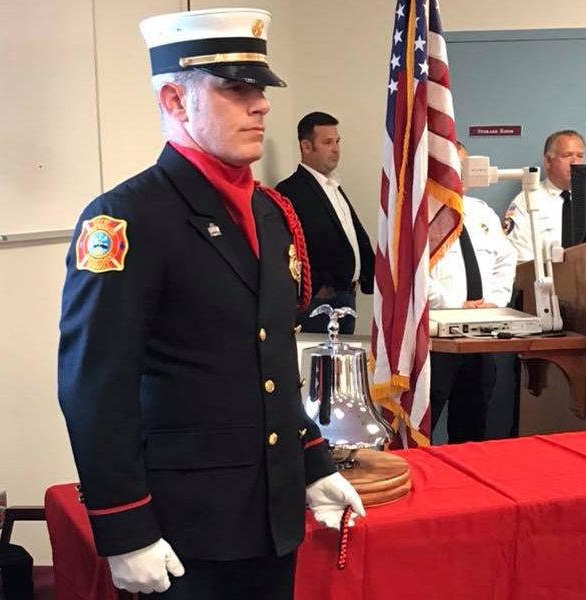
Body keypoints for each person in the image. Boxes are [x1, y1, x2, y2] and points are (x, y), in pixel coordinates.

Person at [57, 9, 364, 599]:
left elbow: (268, 367)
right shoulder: (127, 218)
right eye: (236, 89)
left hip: (271, 520)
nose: (262, 105)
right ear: (175, 100)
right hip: (181, 533)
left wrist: (313, 464)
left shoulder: (271, 215)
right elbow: (95, 385)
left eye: (261, 90)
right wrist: (124, 529)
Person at [429, 142, 517, 444]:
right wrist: (456, 306)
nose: (461, 174)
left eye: (465, 166)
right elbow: (411, 276)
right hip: (438, 339)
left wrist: (495, 303)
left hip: (481, 336)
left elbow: (506, 259)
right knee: (422, 430)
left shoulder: (482, 212)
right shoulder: (418, 217)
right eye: (454, 166)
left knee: (472, 429)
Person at [275, 112, 374, 335]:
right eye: (327, 142)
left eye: (337, 141)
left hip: (347, 297)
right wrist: (318, 287)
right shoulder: (290, 190)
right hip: (319, 303)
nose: (336, 148)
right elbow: (292, 247)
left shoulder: (333, 186)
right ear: (306, 146)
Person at [504, 130, 586, 262]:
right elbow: (519, 258)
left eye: (580, 156)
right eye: (567, 155)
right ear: (548, 161)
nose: (575, 162)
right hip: (545, 280)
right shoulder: (528, 199)